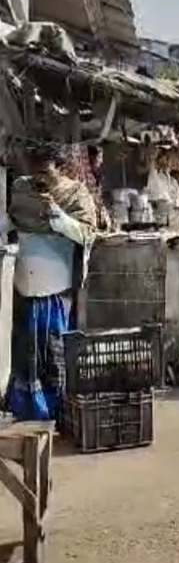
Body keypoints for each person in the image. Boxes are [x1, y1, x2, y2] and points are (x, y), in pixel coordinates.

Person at [6, 144, 97, 421]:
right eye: (35, 172)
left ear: (61, 168)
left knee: (51, 350)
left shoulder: (75, 194)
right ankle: (24, 410)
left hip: (54, 286)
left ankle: (54, 411)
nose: (40, 178)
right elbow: (12, 218)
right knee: (23, 350)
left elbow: (87, 234)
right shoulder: (22, 188)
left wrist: (58, 217)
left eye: (46, 172)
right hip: (23, 280)